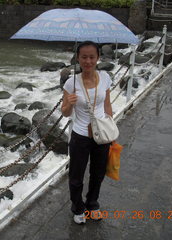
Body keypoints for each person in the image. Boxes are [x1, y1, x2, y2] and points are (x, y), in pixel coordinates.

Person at [61, 41, 113, 224]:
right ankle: (78, 207)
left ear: (98, 57)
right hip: (80, 135)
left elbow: (107, 104)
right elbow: (65, 112)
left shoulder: (105, 77)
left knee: (98, 174)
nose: (88, 61)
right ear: (78, 58)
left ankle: (92, 204)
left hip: (102, 135)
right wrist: (70, 103)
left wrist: (111, 126)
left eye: (92, 57)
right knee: (76, 176)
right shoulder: (71, 83)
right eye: (84, 57)